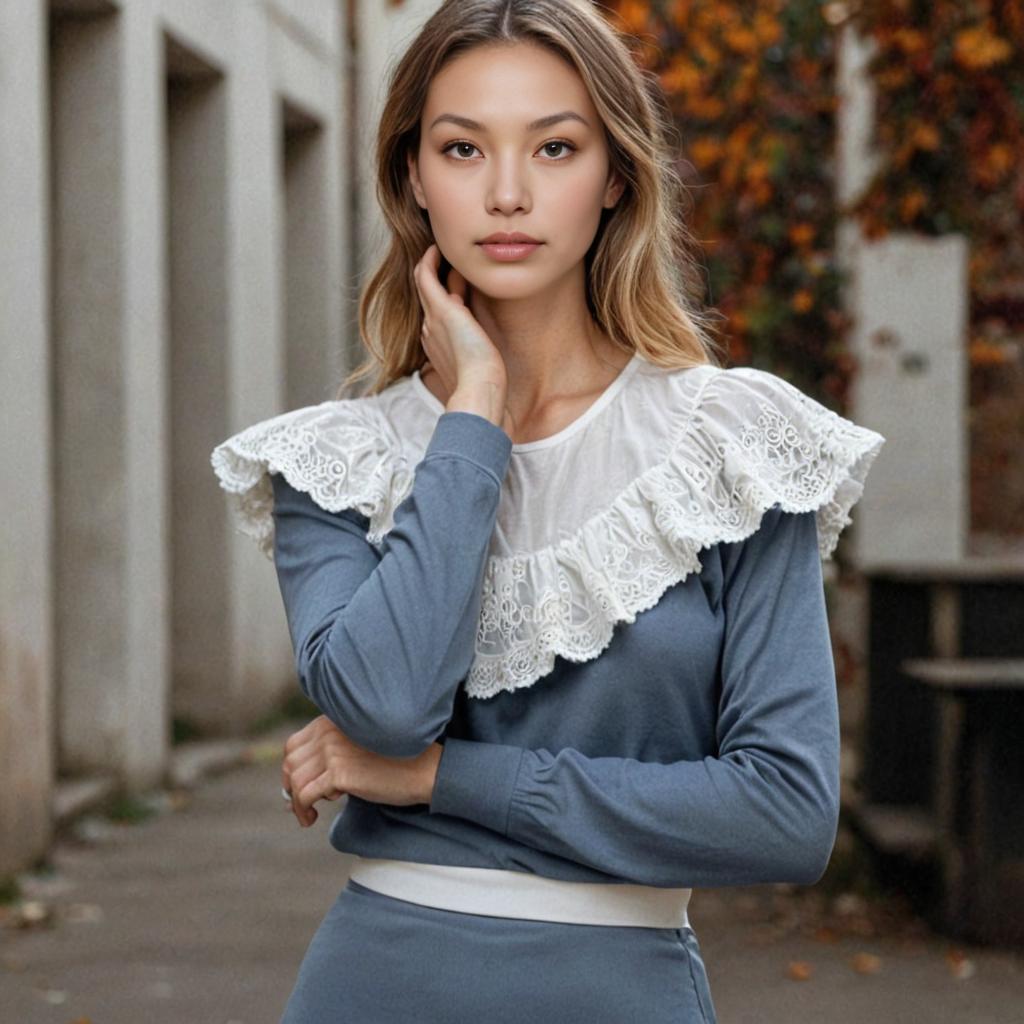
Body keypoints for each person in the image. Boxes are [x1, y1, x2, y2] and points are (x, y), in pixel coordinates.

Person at [209, 1, 886, 1020]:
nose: (509, 192)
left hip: (622, 987)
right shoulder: (335, 461)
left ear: (615, 174)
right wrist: (473, 415)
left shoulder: (732, 448)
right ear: (412, 179)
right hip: (377, 983)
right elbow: (386, 705)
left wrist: (444, 779)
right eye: (463, 148)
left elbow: (782, 816)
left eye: (555, 146)